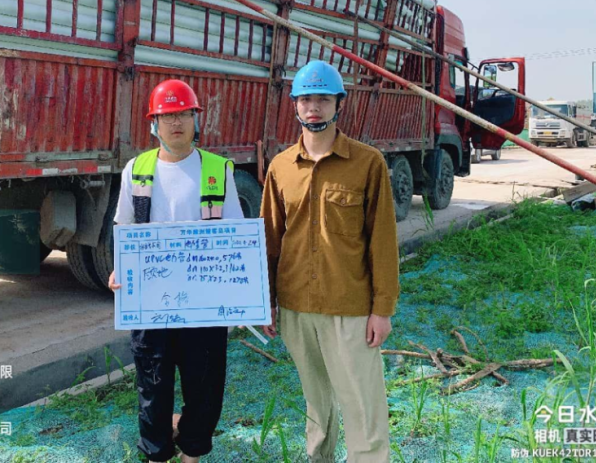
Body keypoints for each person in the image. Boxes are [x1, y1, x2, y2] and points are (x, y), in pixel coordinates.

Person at [260, 60, 400, 463]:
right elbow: (270, 240)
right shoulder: (281, 167)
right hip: (295, 307)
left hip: (350, 306)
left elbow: (383, 242)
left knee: (363, 404)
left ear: (339, 103)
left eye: (322, 98)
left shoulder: (367, 163)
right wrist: (266, 300)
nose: (313, 107)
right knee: (316, 402)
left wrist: (382, 309)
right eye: (306, 99)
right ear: (294, 106)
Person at [108, 78, 245, 463]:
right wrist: (120, 270)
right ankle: (156, 454)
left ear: (196, 119)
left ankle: (193, 452)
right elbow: (124, 228)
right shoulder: (136, 169)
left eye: (184, 113)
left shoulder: (218, 170)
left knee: (205, 384)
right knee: (153, 384)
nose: (177, 122)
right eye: (168, 116)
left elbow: (236, 235)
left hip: (202, 305)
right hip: (152, 304)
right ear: (154, 123)